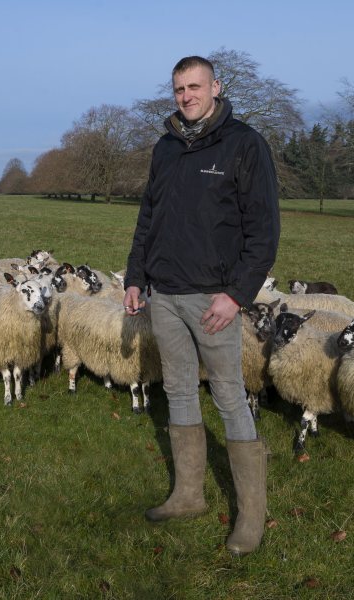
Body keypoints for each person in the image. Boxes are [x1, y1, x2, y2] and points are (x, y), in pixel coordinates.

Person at [123, 56, 279, 556]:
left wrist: (236, 295)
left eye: (194, 86)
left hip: (214, 298)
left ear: (216, 86)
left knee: (230, 396)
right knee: (178, 390)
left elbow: (263, 231)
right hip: (163, 294)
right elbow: (149, 217)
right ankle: (189, 494)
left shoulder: (244, 144)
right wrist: (134, 276)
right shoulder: (165, 148)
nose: (186, 96)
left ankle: (251, 518)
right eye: (178, 89)